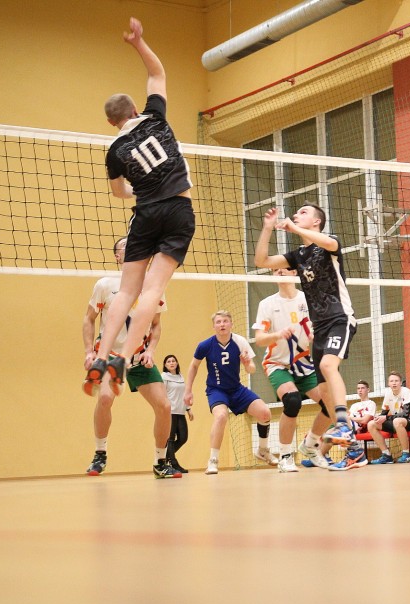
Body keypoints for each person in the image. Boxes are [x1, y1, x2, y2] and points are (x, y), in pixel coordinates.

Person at [83, 17, 195, 398]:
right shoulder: (155, 117)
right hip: (178, 210)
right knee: (152, 290)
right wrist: (138, 42)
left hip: (145, 214)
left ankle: (102, 356)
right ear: (134, 108)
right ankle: (123, 359)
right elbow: (157, 73)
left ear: (111, 122)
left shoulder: (115, 151)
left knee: (126, 291)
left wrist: (137, 189)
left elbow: (119, 193)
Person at [254, 203, 364, 472]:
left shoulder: (330, 243)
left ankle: (343, 425)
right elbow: (262, 261)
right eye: (296, 213)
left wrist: (292, 228)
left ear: (316, 222)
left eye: (303, 212)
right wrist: (267, 229)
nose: (297, 215)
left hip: (339, 318)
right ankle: (316, 444)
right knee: (325, 394)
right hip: (320, 327)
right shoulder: (298, 256)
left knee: (328, 365)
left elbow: (328, 243)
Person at [82, 237, 180, 478]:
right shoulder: (105, 284)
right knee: (105, 398)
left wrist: (151, 351)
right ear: (117, 257)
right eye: (123, 246)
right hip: (111, 356)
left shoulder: (154, 285)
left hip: (138, 358)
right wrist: (89, 351)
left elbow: (156, 324)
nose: (130, 246)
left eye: (132, 243)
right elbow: (89, 319)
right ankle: (100, 454)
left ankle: (160, 462)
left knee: (165, 406)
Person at [252, 267, 335, 473]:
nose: (279, 272)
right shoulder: (267, 304)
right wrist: (277, 334)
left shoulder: (308, 299)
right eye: (275, 270)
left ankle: (310, 444)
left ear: (294, 273)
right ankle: (286, 456)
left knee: (331, 404)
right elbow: (260, 339)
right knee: (292, 401)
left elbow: (319, 328)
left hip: (305, 363)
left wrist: (317, 337)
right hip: (277, 364)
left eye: (284, 269)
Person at [185, 311, 272, 475]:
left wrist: (246, 363)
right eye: (218, 322)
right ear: (214, 326)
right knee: (221, 416)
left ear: (231, 324)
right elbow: (194, 366)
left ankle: (262, 450)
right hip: (216, 390)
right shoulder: (205, 345)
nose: (222, 324)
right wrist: (188, 390)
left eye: (225, 321)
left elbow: (252, 369)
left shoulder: (240, 341)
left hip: (236, 389)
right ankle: (213, 461)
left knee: (265, 413)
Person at [367, 372, 410, 464]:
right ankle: (386, 455)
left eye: (396, 381)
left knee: (397, 421)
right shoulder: (388, 393)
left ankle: (406, 454)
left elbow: (405, 414)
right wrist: (378, 418)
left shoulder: (406, 391)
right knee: (371, 424)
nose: (394, 383)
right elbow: (384, 413)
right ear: (388, 383)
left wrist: (386, 417)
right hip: (396, 421)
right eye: (392, 381)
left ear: (400, 383)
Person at [161, 354, 193, 473]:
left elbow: (185, 394)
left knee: (183, 438)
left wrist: (188, 409)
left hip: (180, 411)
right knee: (170, 439)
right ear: (165, 365)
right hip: (170, 412)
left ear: (177, 363)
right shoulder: (164, 376)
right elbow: (162, 394)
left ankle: (164, 457)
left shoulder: (181, 377)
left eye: (173, 361)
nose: (171, 363)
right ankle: (173, 463)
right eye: (168, 361)